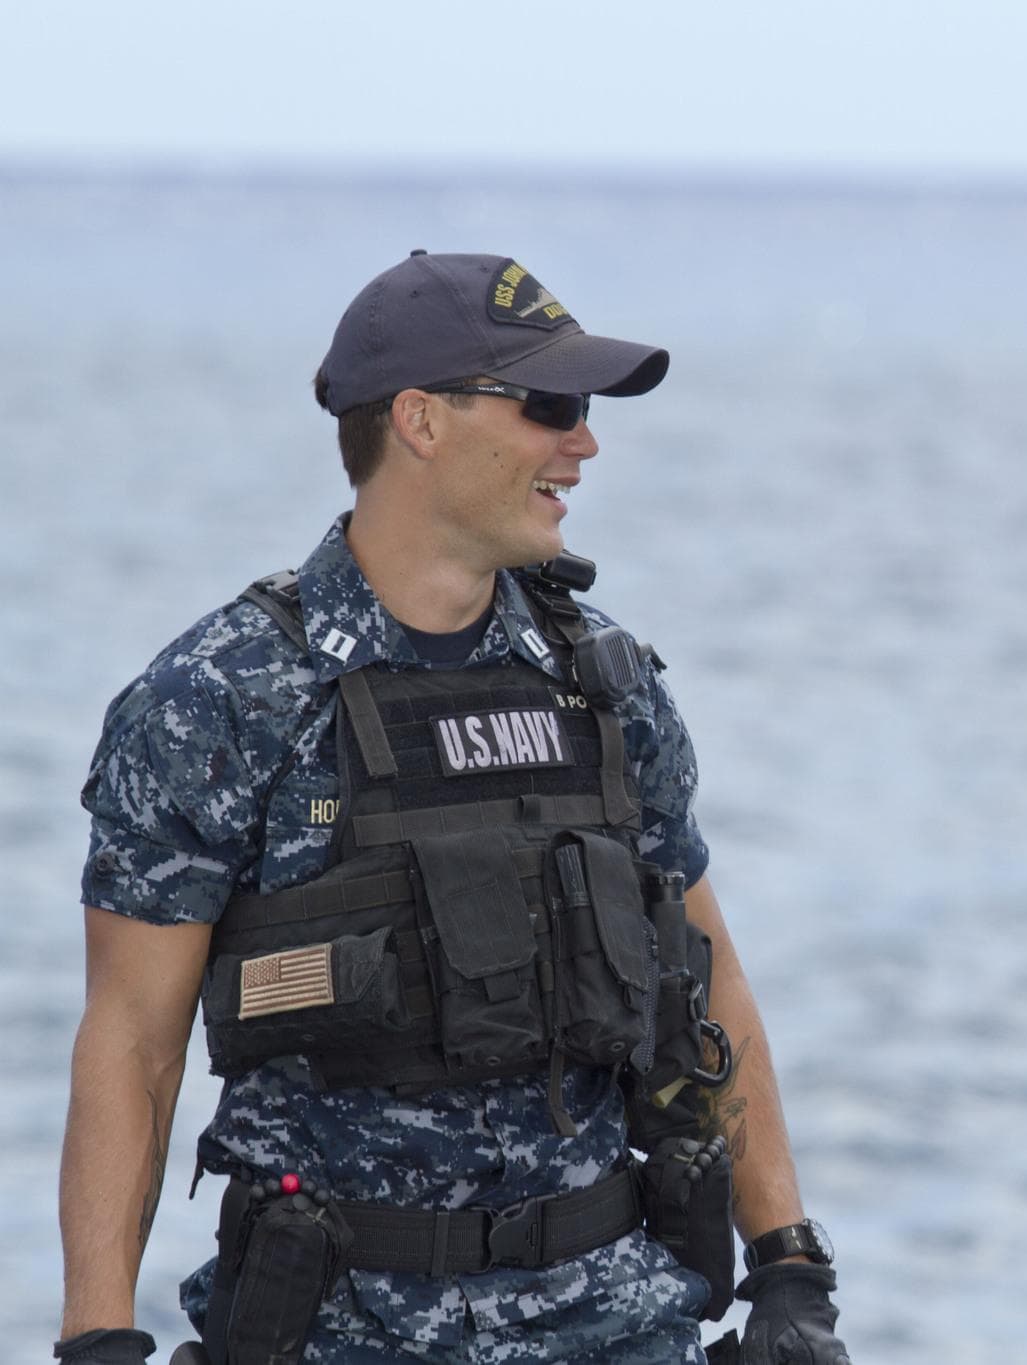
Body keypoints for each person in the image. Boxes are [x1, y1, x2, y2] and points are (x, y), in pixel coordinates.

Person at [58, 251, 852, 1365]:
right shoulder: (222, 698)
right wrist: (98, 1339)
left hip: (618, 1320)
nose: (584, 443)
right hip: (339, 1331)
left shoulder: (605, 684)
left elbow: (705, 971)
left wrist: (788, 1267)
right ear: (420, 420)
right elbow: (133, 1040)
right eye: (550, 406)